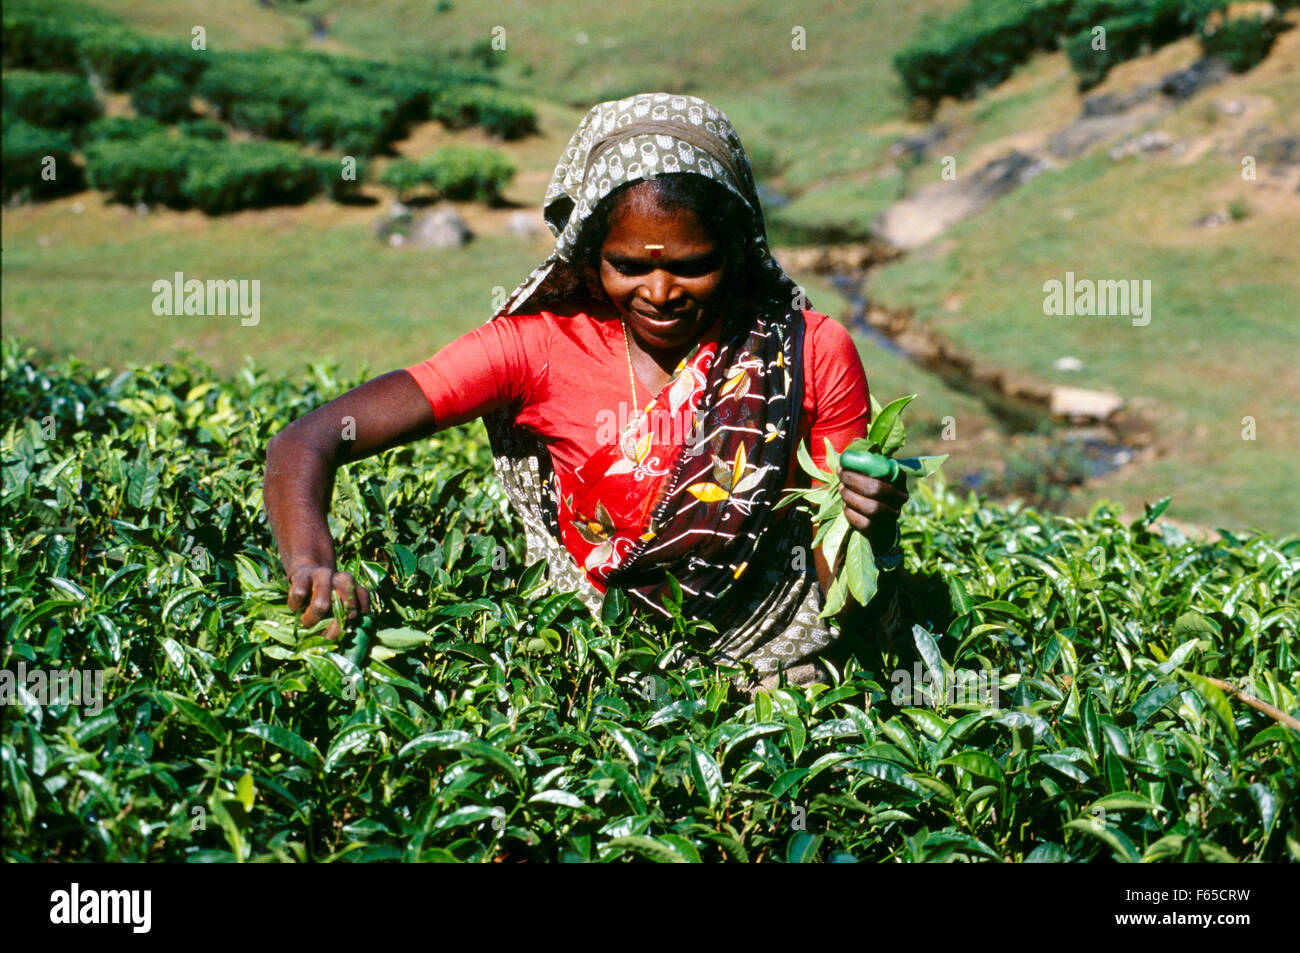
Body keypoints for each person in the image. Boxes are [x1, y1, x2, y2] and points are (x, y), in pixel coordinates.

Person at [263, 92, 909, 690]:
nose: (660, 292)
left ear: (738, 251)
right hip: (594, 674)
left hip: (773, 669)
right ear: (591, 255)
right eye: (630, 265)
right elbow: (308, 440)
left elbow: (846, 601)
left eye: (692, 265)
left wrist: (867, 527)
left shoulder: (805, 353)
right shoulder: (537, 348)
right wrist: (312, 565)